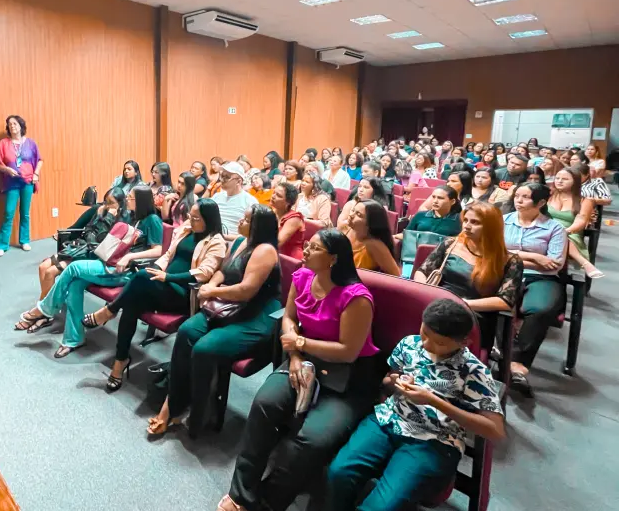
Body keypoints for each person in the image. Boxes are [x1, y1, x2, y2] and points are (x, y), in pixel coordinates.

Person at [217, 230, 381, 511]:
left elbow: (348, 351)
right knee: (265, 404)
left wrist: (300, 343)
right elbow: (289, 319)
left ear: (333, 258)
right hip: (304, 361)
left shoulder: (356, 298)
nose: (305, 251)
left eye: (314, 248)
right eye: (307, 245)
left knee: (313, 439)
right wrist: (293, 356)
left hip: (348, 377)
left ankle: (269, 501)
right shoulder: (302, 277)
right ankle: (240, 494)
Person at [326, 299, 505, 511]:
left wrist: (434, 401)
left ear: (464, 342)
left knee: (382, 506)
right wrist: (394, 382)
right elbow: (388, 379)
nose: (427, 344)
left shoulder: (473, 371)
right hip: (389, 419)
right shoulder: (410, 344)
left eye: (440, 343)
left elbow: (495, 431)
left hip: (435, 439)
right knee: (339, 473)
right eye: (425, 333)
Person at [147, 205, 282, 436]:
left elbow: (246, 291)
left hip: (255, 315)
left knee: (204, 348)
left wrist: (212, 292)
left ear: (258, 226)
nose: (240, 222)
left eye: (246, 220)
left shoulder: (265, 251)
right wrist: (211, 284)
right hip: (228, 306)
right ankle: (172, 405)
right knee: (187, 331)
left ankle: (199, 415)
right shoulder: (240, 242)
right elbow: (222, 271)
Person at [82, 199, 227, 391]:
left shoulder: (216, 242)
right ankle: (120, 360)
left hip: (184, 293)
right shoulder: (187, 230)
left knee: (141, 276)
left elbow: (204, 272)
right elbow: (167, 256)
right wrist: (157, 270)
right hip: (164, 286)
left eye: (196, 218)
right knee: (132, 302)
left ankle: (109, 311)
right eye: (190, 216)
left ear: (209, 219)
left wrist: (167, 277)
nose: (190, 220)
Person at [16, 186, 163, 356]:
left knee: (74, 267)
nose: (127, 200)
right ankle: (74, 339)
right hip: (110, 262)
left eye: (131, 198)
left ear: (141, 201)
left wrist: (129, 257)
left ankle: (45, 308)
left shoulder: (152, 220)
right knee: (75, 285)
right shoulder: (132, 216)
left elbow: (158, 250)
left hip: (124, 271)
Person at [414, 202, 523, 351]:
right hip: (437, 304)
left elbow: (505, 301)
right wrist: (426, 292)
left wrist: (463, 303)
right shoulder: (450, 244)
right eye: (465, 220)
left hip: (473, 312)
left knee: (444, 324)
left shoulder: (510, 261)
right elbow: (422, 271)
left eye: (475, 222)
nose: (467, 226)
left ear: (491, 227)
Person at [503, 183, 567, 396]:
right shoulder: (503, 221)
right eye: (517, 196)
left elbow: (554, 264)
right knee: (498, 302)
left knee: (540, 309)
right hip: (505, 273)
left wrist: (512, 255)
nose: (518, 200)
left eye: (525, 197)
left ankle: (517, 362)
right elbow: (495, 252)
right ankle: (505, 356)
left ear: (540, 203)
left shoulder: (554, 228)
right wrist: (535, 257)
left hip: (541, 278)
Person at [38, 187, 128, 300]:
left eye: (111, 203)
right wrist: (98, 218)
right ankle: (46, 304)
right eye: (106, 202)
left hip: (93, 255)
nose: (107, 206)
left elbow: (101, 240)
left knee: (50, 272)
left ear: (120, 204)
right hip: (81, 248)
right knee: (42, 267)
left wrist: (107, 218)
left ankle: (45, 306)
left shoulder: (122, 222)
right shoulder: (100, 211)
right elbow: (88, 231)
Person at [0, 115, 43, 256]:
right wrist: (7, 170)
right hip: (12, 182)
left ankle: (25, 241)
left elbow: (40, 160)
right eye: (9, 124)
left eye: (14, 123)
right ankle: (2, 245)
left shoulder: (31, 143)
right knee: (8, 212)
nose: (12, 126)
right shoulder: (4, 143)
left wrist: (36, 174)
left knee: (25, 213)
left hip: (27, 181)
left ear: (21, 125)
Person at [548, 167, 603, 278]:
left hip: (571, 232)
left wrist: (566, 231)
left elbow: (581, 220)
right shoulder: (549, 195)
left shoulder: (585, 200)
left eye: (565, 179)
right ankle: (585, 263)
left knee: (561, 236)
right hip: (545, 228)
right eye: (557, 178)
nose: (559, 181)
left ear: (575, 181)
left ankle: (585, 263)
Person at [339, 200, 400, 275]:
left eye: (358, 214)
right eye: (353, 210)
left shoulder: (375, 245)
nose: (351, 215)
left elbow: (396, 276)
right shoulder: (345, 228)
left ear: (370, 223)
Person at [213, 162, 260, 239]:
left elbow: (254, 234)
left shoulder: (250, 201)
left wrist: (226, 237)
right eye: (222, 176)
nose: (222, 180)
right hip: (214, 239)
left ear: (238, 181)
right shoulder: (216, 197)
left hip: (235, 243)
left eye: (227, 177)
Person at [398, 185, 462, 239]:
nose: (435, 201)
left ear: (452, 201)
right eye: (433, 197)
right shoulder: (420, 215)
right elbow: (405, 235)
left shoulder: (459, 220)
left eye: (440, 198)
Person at [271, 183, 304, 260]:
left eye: (278, 195)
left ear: (287, 202)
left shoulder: (294, 218)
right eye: (274, 193)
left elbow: (277, 242)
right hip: (273, 253)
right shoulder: (272, 213)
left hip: (289, 259)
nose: (273, 196)